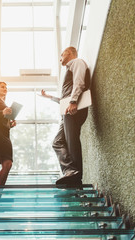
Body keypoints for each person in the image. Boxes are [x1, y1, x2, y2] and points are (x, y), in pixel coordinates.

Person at [40, 46, 90, 185]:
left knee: (72, 141)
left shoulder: (77, 62)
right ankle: (70, 171)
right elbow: (65, 98)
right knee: (57, 142)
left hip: (73, 108)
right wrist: (49, 97)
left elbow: (79, 82)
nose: (60, 58)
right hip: (67, 110)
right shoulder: (70, 68)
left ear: (69, 53)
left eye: (62, 54)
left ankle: (76, 175)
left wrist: (73, 102)